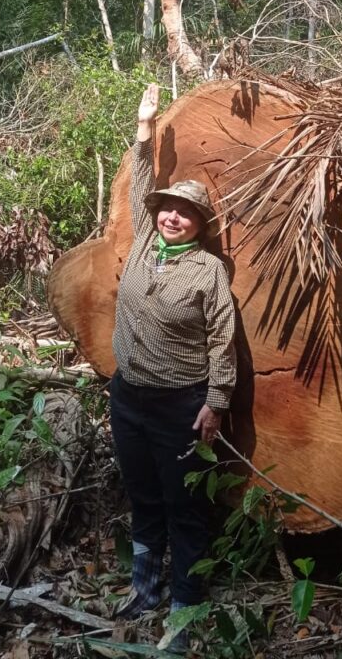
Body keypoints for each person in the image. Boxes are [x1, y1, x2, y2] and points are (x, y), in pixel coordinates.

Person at [110, 82, 237, 651]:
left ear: (199, 223)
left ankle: (184, 611)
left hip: (179, 406)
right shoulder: (142, 244)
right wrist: (144, 128)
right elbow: (140, 187)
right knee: (144, 496)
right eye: (168, 210)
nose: (172, 219)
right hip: (128, 397)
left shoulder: (209, 271)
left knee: (184, 507)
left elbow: (223, 339)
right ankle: (146, 587)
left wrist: (217, 402)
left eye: (186, 214)